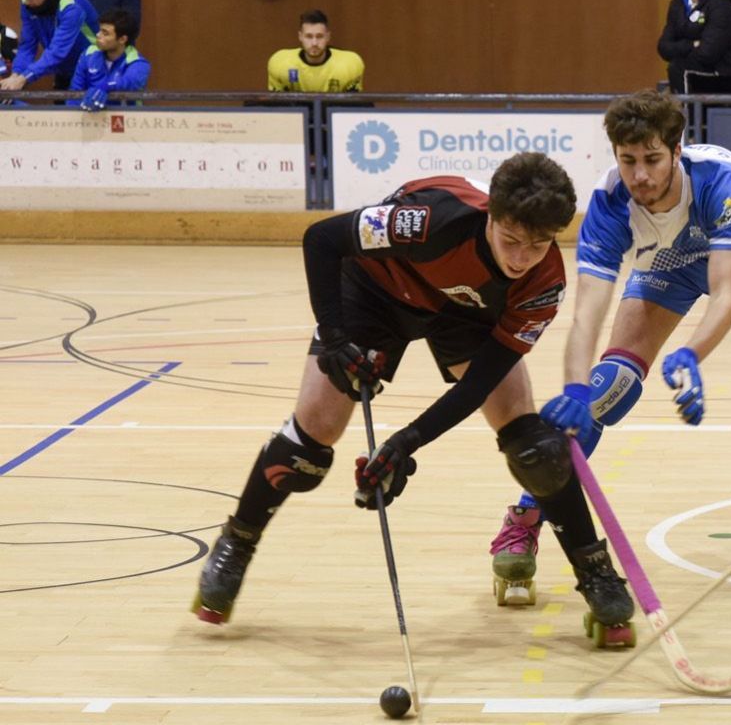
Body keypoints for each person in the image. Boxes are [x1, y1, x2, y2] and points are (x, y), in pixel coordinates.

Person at [190, 153, 640, 649]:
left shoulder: (543, 282)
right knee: (311, 442)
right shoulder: (430, 219)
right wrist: (336, 340)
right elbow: (321, 238)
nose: (520, 259)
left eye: (537, 245)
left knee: (536, 447)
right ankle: (238, 541)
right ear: (491, 216)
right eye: (510, 240)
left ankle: (595, 571)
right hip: (376, 290)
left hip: (464, 314)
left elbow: (475, 387)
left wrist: (406, 442)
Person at [487, 89, 731, 599]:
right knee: (607, 389)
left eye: (651, 160)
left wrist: (690, 354)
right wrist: (576, 390)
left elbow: (727, 293)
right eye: (627, 161)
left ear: (676, 149)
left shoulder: (723, 182)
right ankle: (526, 514)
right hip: (669, 262)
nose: (639, 175)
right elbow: (588, 315)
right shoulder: (608, 204)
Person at [2, 0, 98, 93]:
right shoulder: (27, 3)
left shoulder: (72, 8)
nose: (26, 2)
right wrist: (16, 74)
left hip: (92, 70)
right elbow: (27, 45)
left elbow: (57, 52)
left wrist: (25, 77)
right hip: (63, 70)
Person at [267, 9, 364, 92]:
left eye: (319, 36)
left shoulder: (350, 64)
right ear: (300, 36)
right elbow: (277, 109)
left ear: (328, 37)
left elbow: (352, 110)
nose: (314, 43)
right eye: (309, 36)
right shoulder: (280, 63)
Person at [70, 8, 148, 110]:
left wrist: (106, 87)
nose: (98, 35)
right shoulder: (89, 54)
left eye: (105, 33)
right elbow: (75, 93)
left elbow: (128, 81)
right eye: (100, 30)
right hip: (90, 118)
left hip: (127, 120)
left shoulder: (137, 63)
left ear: (122, 39)